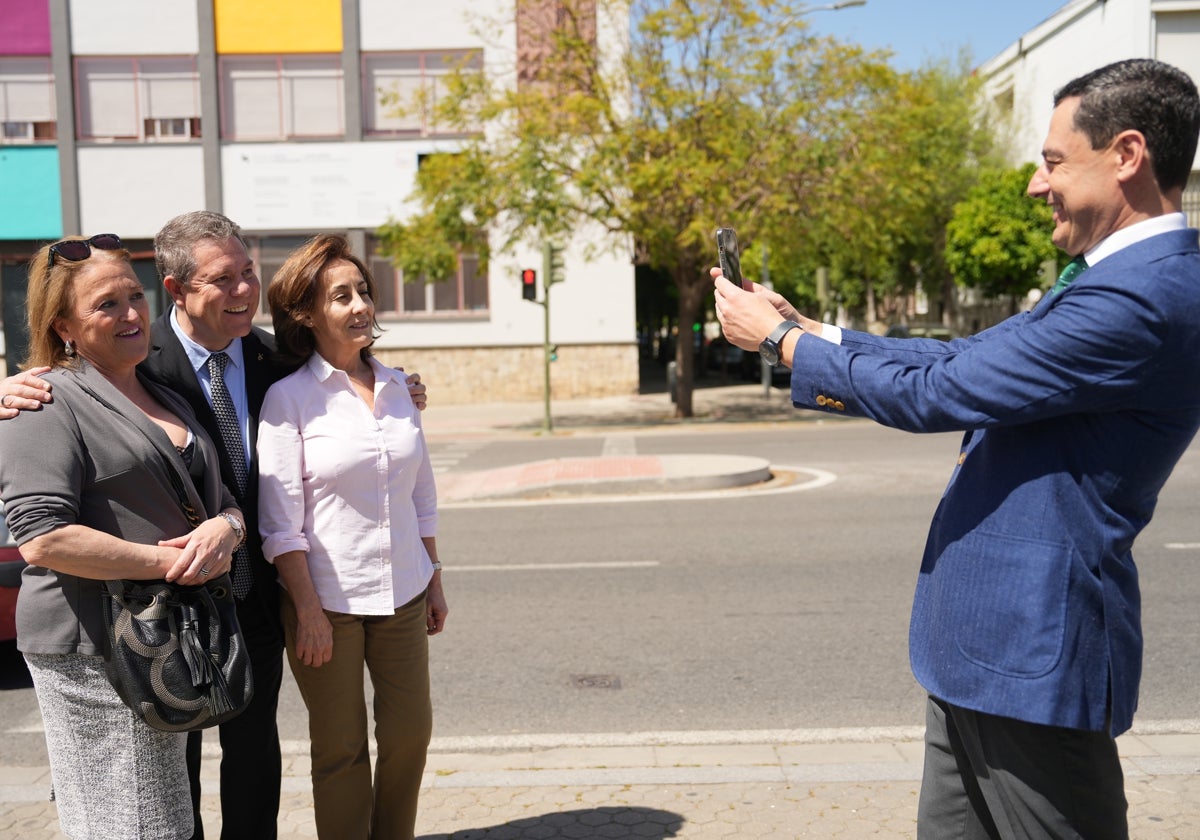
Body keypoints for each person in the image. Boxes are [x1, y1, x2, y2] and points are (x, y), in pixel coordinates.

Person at [714, 58, 1200, 840]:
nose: (1038, 187)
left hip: (1032, 660)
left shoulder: (1143, 297)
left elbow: (937, 395)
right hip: (987, 653)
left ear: (1127, 155)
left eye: (1052, 163)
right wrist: (808, 334)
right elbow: (960, 358)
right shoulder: (1109, 280)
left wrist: (777, 342)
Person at [0, 210, 427, 839]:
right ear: (176, 290)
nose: (245, 291)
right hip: (153, 616)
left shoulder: (274, 359)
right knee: (171, 777)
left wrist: (398, 388)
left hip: (252, 593)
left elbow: (342, 379)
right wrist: (8, 393)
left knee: (255, 756)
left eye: (249, 273)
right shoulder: (142, 361)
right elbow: (55, 426)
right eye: (223, 279)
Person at [0, 235, 244, 838]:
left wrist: (225, 530)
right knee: (132, 823)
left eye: (135, 296)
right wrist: (170, 564)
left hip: (160, 635)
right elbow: (42, 538)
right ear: (63, 326)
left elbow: (225, 502)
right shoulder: (43, 403)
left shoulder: (160, 390)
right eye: (106, 304)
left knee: (156, 818)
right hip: (94, 650)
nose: (132, 313)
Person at [256, 234, 447, 840]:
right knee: (341, 752)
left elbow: (421, 492)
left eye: (363, 291)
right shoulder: (288, 400)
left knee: (409, 734)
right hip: (327, 605)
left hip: (405, 592)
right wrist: (306, 609)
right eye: (341, 296)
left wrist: (436, 577)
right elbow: (279, 522)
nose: (361, 305)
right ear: (307, 314)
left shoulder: (398, 388)